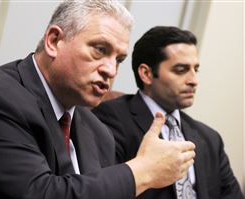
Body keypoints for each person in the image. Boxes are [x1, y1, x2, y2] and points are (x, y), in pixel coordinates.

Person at [0, 2, 196, 199]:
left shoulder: (97, 131)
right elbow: (40, 194)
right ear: (54, 41)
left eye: (118, 60)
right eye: (100, 49)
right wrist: (143, 171)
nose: (110, 70)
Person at [92, 26, 244, 199]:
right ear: (147, 74)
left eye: (196, 69)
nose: (194, 80)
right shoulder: (109, 119)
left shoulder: (210, 139)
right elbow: (105, 191)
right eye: (181, 70)